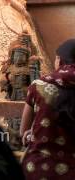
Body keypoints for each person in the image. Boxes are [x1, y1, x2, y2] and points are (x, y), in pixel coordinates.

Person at [20, 39, 75, 179]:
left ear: (60, 60)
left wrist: (31, 133)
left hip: (40, 167)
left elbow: (22, 131)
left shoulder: (38, 85)